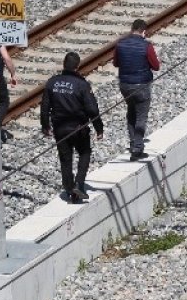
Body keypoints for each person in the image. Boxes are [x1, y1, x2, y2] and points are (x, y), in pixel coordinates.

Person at [40, 52, 104, 204]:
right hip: (79, 128)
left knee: (65, 159)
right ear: (77, 66)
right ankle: (79, 184)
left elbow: (44, 107)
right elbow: (92, 110)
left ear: (63, 64)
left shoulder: (52, 82)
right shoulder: (82, 85)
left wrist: (45, 125)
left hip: (60, 128)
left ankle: (69, 189)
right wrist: (99, 128)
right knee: (85, 152)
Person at [113, 19, 160, 161]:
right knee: (141, 116)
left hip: (125, 85)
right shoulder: (147, 46)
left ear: (132, 29)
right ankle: (137, 148)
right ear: (144, 31)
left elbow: (116, 63)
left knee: (131, 111)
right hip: (141, 85)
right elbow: (156, 66)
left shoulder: (120, 44)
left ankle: (133, 141)